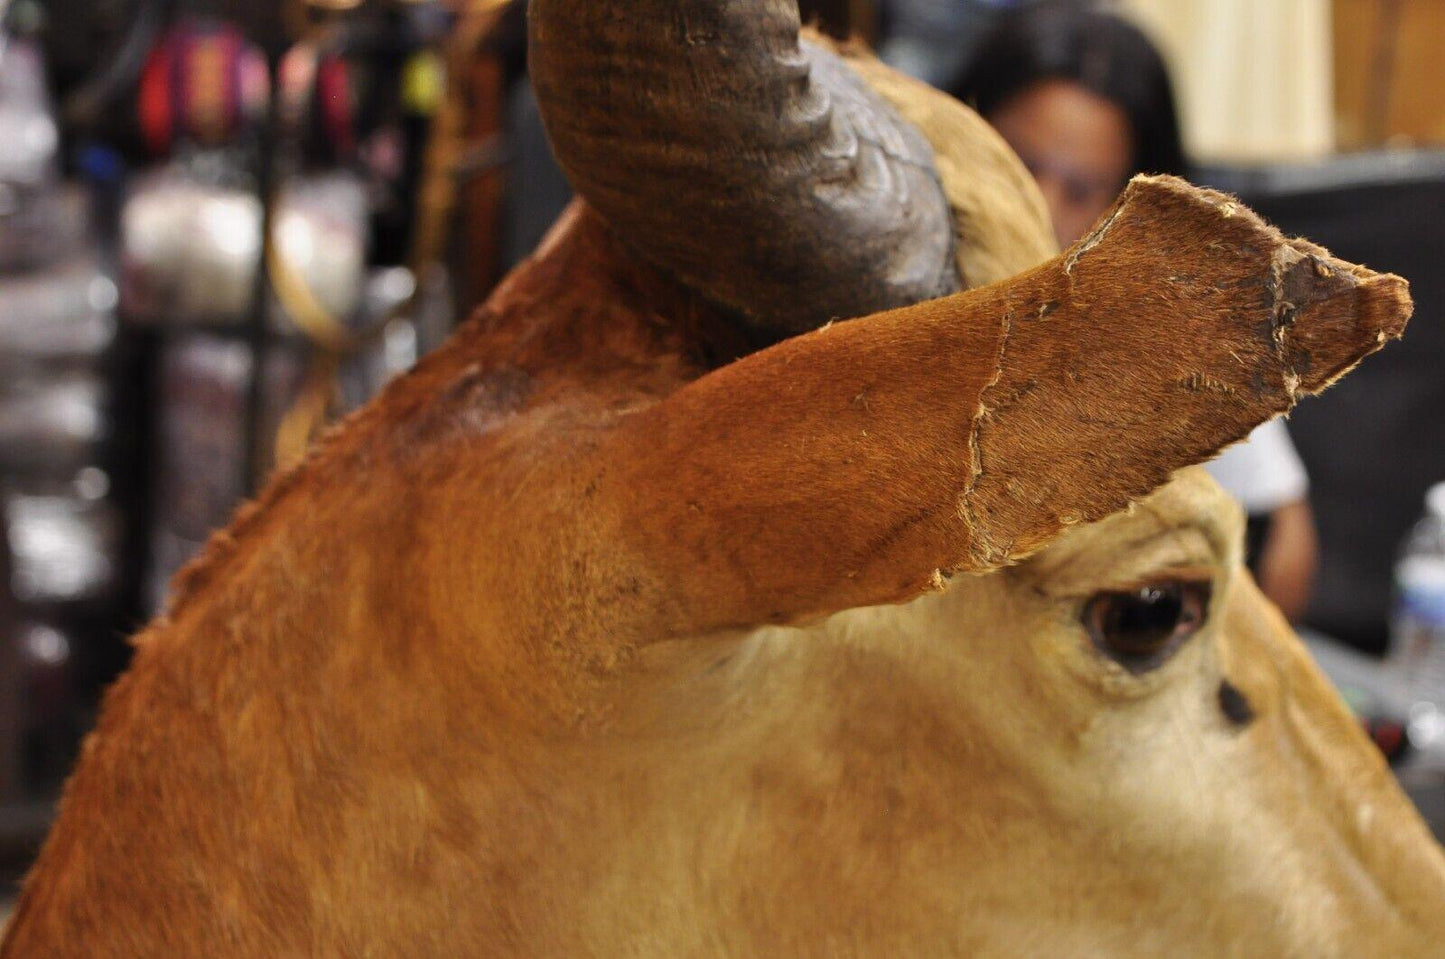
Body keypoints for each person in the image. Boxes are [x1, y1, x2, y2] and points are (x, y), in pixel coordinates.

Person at [951, 1, 1319, 621]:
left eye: (1080, 187)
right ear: (962, 127)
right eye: (1016, 161)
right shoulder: (895, 282)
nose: (1035, 207)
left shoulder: (1170, 327)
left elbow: (1282, 534)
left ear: (1128, 204)